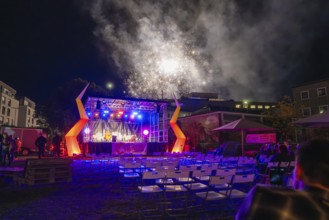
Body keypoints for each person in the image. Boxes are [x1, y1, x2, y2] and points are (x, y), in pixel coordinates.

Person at [236, 139, 329, 220]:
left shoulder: (264, 197)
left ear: (299, 171)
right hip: (281, 173)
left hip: (274, 174)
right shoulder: (288, 156)